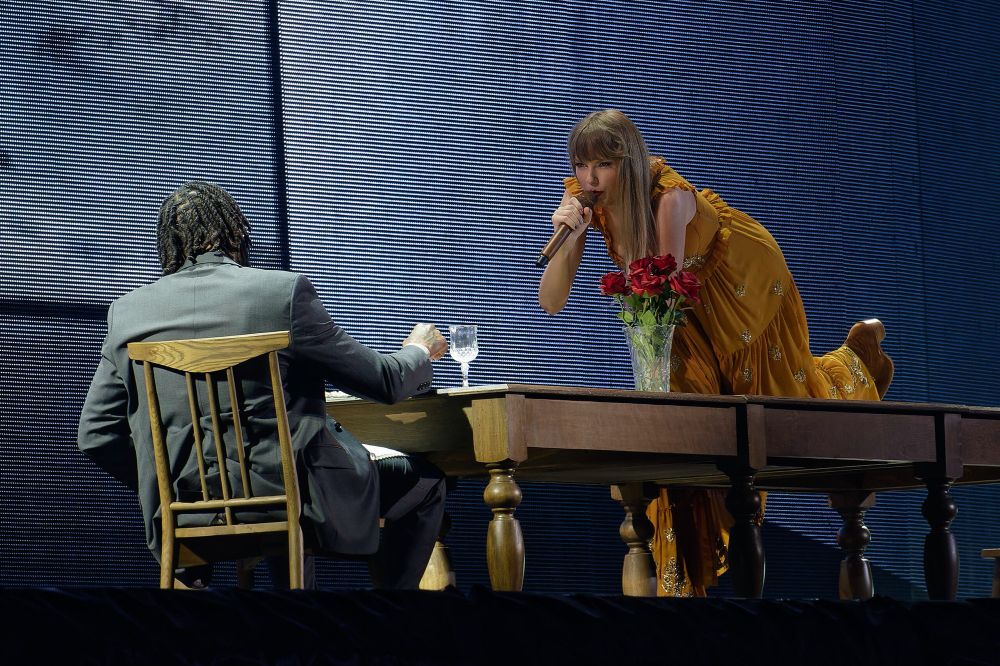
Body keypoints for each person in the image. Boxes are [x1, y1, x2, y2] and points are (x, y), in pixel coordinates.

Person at [539, 109, 894, 596]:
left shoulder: (669, 199)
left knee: (782, 402)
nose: (589, 178)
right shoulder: (580, 204)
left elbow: (659, 283)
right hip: (676, 307)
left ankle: (855, 361)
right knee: (683, 431)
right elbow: (551, 301)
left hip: (735, 288)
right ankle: (683, 584)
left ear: (630, 161)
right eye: (580, 165)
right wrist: (569, 237)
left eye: (602, 165)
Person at [78, 181, 449, 590]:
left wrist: (168, 481)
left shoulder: (128, 314)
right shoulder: (282, 294)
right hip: (300, 503)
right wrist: (418, 350)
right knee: (427, 481)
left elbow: (96, 434)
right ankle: (392, 628)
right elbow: (384, 381)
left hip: (184, 508)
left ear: (169, 243)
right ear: (237, 233)